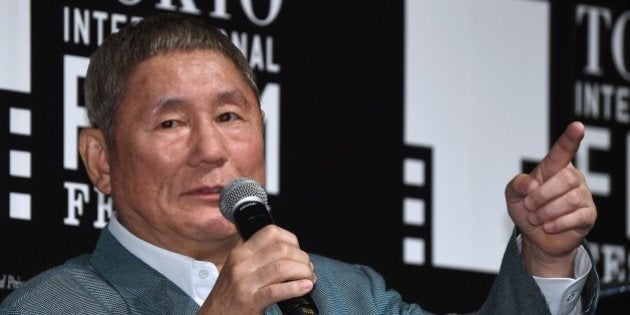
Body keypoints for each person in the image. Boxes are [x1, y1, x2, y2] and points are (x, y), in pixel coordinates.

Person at [0, 12, 598, 315]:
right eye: (171, 123)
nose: (212, 150)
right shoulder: (51, 305)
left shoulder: (343, 291)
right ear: (99, 160)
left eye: (231, 117)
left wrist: (545, 259)